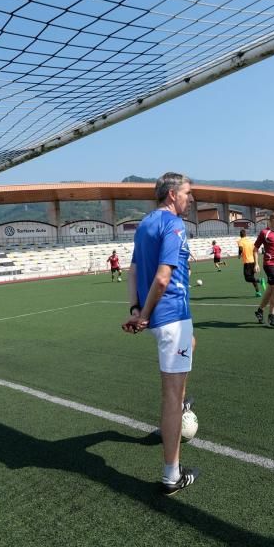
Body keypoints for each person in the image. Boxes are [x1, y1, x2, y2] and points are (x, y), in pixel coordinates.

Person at [121, 173, 200, 495]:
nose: (191, 199)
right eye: (188, 193)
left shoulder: (145, 225)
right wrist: (147, 314)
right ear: (171, 194)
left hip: (160, 320)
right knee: (170, 394)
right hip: (172, 319)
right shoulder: (173, 225)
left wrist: (136, 311)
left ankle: (179, 406)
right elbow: (163, 277)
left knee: (190, 348)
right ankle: (171, 475)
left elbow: (134, 271)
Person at [236, 229, 263, 296]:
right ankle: (258, 292)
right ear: (246, 234)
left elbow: (241, 248)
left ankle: (260, 280)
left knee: (247, 278)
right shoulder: (250, 241)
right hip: (253, 261)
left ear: (240, 235)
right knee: (252, 277)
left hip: (247, 262)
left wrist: (239, 254)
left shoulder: (240, 241)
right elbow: (255, 250)